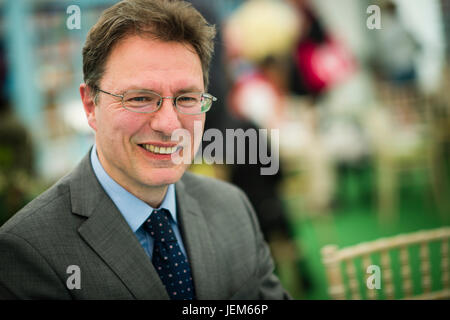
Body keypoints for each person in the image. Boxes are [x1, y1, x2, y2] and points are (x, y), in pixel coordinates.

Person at [0, 0, 290, 300]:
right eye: (139, 98)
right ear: (90, 106)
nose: (168, 124)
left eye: (187, 98)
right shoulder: (27, 253)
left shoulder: (232, 209)